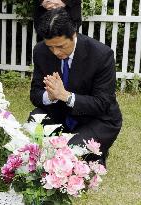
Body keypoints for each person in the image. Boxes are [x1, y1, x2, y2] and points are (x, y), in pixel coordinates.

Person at [30, 8, 122, 166]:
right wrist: (50, 96)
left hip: (97, 118)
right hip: (60, 114)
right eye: (50, 47)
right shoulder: (40, 51)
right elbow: (35, 94)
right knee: (34, 121)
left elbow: (102, 103)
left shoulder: (102, 55)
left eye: (61, 46)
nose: (56, 52)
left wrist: (65, 96)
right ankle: (76, 146)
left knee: (69, 151)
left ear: (73, 34)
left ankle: (96, 153)